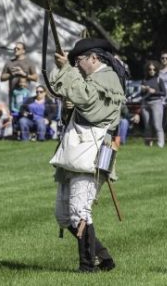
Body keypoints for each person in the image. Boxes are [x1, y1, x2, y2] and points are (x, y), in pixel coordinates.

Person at [48, 38, 126, 272]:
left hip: (94, 153)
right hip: (76, 150)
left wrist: (67, 70)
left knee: (79, 211)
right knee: (64, 215)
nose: (78, 65)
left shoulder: (108, 77)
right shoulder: (89, 78)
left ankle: (86, 266)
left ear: (94, 58)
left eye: (79, 60)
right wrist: (66, 71)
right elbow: (66, 93)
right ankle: (103, 257)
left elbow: (88, 104)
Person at [0, 42, 38, 106]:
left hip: (25, 95)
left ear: (23, 51)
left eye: (18, 49)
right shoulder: (9, 62)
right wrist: (11, 74)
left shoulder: (29, 62)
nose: (15, 50)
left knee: (24, 114)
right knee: (14, 114)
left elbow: (35, 78)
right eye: (15, 48)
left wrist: (24, 74)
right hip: (13, 95)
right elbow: (2, 78)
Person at [140, 61, 166, 147]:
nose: (152, 71)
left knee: (157, 124)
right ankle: (147, 144)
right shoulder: (144, 80)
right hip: (145, 103)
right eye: (150, 69)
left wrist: (154, 91)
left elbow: (164, 93)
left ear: (156, 70)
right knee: (147, 125)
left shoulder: (159, 80)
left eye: (154, 69)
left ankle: (160, 144)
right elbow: (141, 94)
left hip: (156, 103)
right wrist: (144, 90)